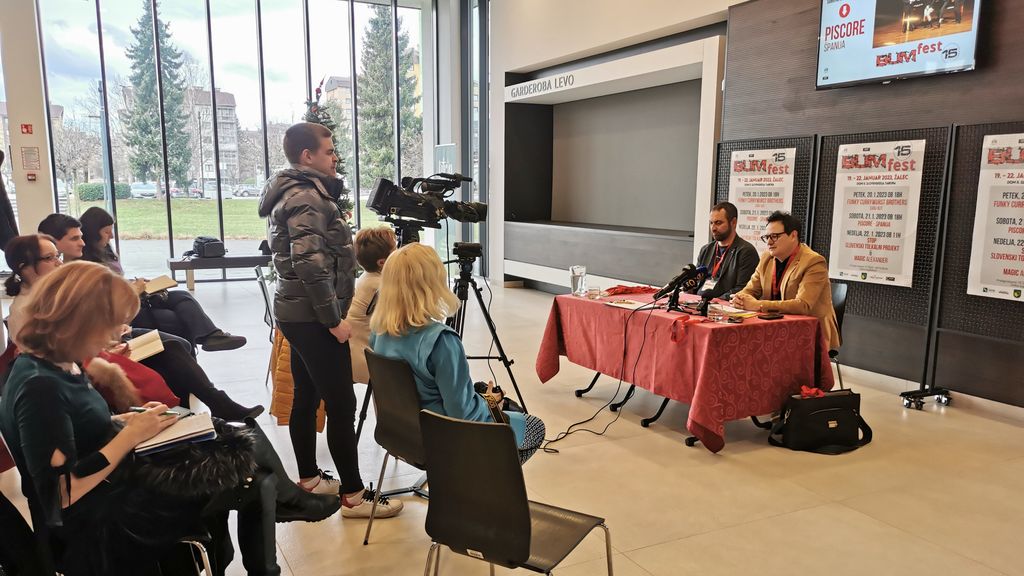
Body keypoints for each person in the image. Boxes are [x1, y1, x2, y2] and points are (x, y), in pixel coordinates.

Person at [0, 261, 340, 575]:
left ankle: (275, 521)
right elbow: (62, 493)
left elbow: (80, 429)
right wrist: (129, 436)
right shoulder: (40, 386)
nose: (117, 334)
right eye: (111, 324)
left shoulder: (55, 364)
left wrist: (128, 420)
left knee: (229, 439)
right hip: (100, 517)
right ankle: (286, 510)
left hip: (113, 482)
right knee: (253, 477)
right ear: (80, 321)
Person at [258, 121, 402, 518]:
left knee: (306, 396)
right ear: (307, 156)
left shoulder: (297, 191)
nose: (335, 157)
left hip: (297, 313)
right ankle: (354, 496)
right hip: (312, 317)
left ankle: (309, 479)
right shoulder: (306, 196)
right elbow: (309, 263)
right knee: (341, 404)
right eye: (329, 150)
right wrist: (333, 319)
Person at [4, 234, 262, 421]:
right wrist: (106, 346)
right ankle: (203, 406)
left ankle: (199, 405)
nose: (59, 263)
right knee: (171, 347)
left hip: (103, 348)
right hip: (97, 356)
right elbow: (62, 352)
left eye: (57, 256)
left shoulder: (52, 293)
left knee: (177, 337)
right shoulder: (28, 311)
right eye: (50, 258)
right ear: (24, 266)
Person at [370, 243, 546, 464]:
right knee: (534, 427)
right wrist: (490, 405)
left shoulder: (379, 333)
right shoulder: (441, 341)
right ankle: (477, 478)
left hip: (402, 435)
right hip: (443, 438)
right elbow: (462, 415)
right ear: (432, 284)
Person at [40, 211, 245, 352]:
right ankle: (202, 349)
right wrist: (133, 290)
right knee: (176, 320)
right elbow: (103, 302)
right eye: (75, 238)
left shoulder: (97, 254)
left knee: (182, 297)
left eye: (81, 237)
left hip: (127, 301)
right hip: (121, 311)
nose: (82, 242)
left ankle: (210, 336)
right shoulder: (75, 268)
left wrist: (133, 285)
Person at [731, 211, 841, 351]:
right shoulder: (767, 258)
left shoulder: (814, 261)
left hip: (809, 333)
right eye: (767, 237)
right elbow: (750, 290)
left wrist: (758, 305)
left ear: (793, 235)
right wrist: (740, 299)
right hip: (775, 328)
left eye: (774, 236)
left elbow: (803, 305)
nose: (769, 242)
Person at [349, 226, 398, 385]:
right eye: (395, 251)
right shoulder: (379, 286)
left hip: (352, 353)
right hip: (364, 360)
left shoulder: (367, 277)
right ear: (382, 262)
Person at [690, 202, 759, 300]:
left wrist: (714, 302)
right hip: (697, 302)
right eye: (711, 223)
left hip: (724, 305)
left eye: (718, 223)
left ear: (733, 222)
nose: (713, 228)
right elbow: (696, 281)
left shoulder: (746, 252)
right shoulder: (706, 250)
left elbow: (743, 289)